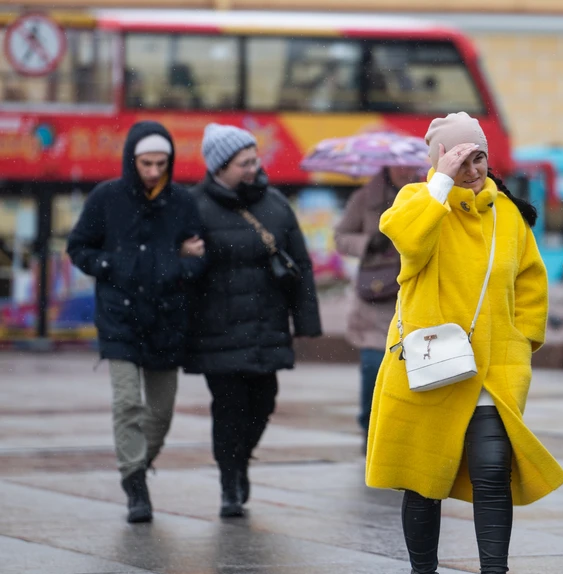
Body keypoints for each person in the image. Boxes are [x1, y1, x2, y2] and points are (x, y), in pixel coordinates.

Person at [365, 112, 563, 574]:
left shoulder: (508, 213)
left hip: (490, 371)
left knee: (493, 473)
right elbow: (409, 244)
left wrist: (520, 346)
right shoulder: (416, 202)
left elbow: (530, 286)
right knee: (423, 479)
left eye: (479, 157)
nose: (473, 169)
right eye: (461, 159)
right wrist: (439, 182)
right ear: (439, 162)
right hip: (428, 367)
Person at [67, 121, 205, 524]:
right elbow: (78, 247)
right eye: (146, 163)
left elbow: (201, 256)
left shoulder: (181, 201)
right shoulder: (106, 197)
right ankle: (134, 483)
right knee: (127, 403)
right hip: (119, 317)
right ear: (132, 159)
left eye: (162, 163)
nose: (153, 171)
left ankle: (139, 465)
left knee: (160, 413)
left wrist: (179, 267)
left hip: (167, 319)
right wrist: (110, 264)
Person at [186, 123, 322, 518]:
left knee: (264, 402)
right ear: (219, 167)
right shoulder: (194, 207)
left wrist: (307, 321)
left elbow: (302, 265)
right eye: (243, 162)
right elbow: (180, 272)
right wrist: (187, 257)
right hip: (218, 328)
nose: (253, 167)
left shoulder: (276, 204)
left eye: (254, 159)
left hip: (267, 324)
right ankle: (230, 480)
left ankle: (240, 461)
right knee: (228, 408)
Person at [334, 166, 419, 447]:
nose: (405, 171)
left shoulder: (426, 193)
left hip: (414, 293)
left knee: (412, 372)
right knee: (373, 365)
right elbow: (341, 237)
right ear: (387, 166)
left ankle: (401, 432)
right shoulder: (364, 199)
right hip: (376, 294)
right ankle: (369, 427)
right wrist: (369, 242)